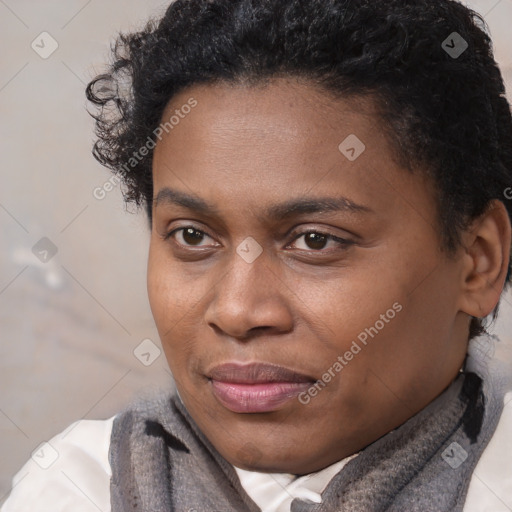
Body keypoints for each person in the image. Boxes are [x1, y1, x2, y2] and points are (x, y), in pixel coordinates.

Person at [3, 0, 512, 510]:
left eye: (316, 240)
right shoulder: (76, 488)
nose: (237, 312)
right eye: (192, 237)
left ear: (478, 260)